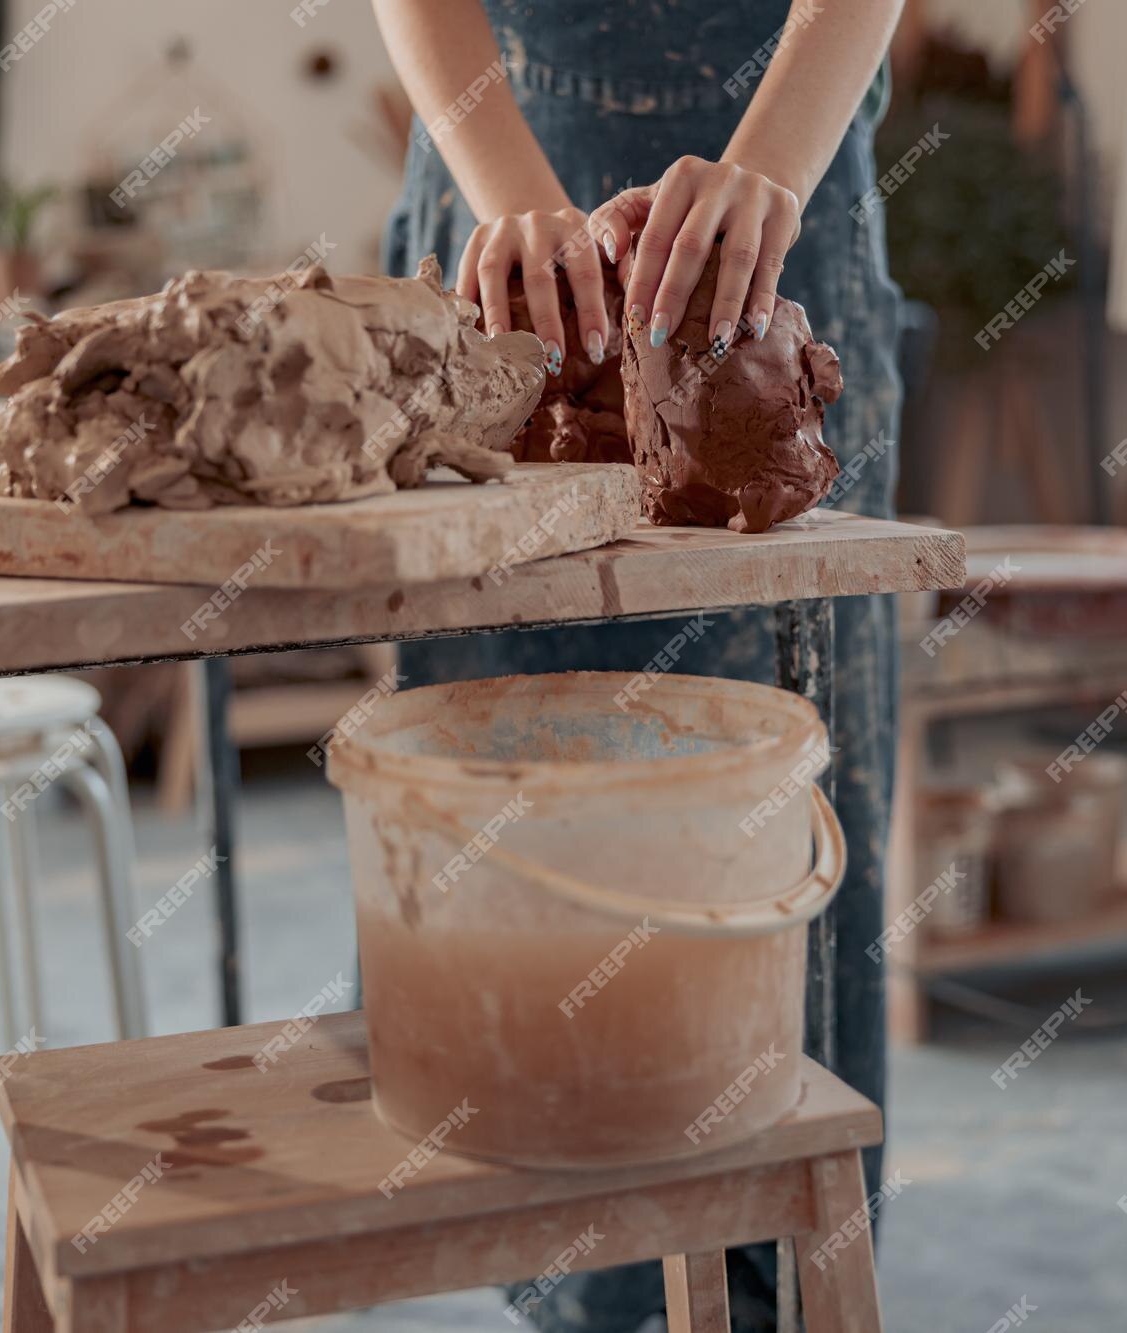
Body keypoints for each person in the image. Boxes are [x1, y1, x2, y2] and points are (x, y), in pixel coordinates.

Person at [374, 2, 905, 1327]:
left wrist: (770, 166)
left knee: (774, 807)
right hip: (508, 192)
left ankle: (779, 1271)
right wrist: (517, 202)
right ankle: (586, 1287)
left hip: (792, 195)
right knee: (541, 811)